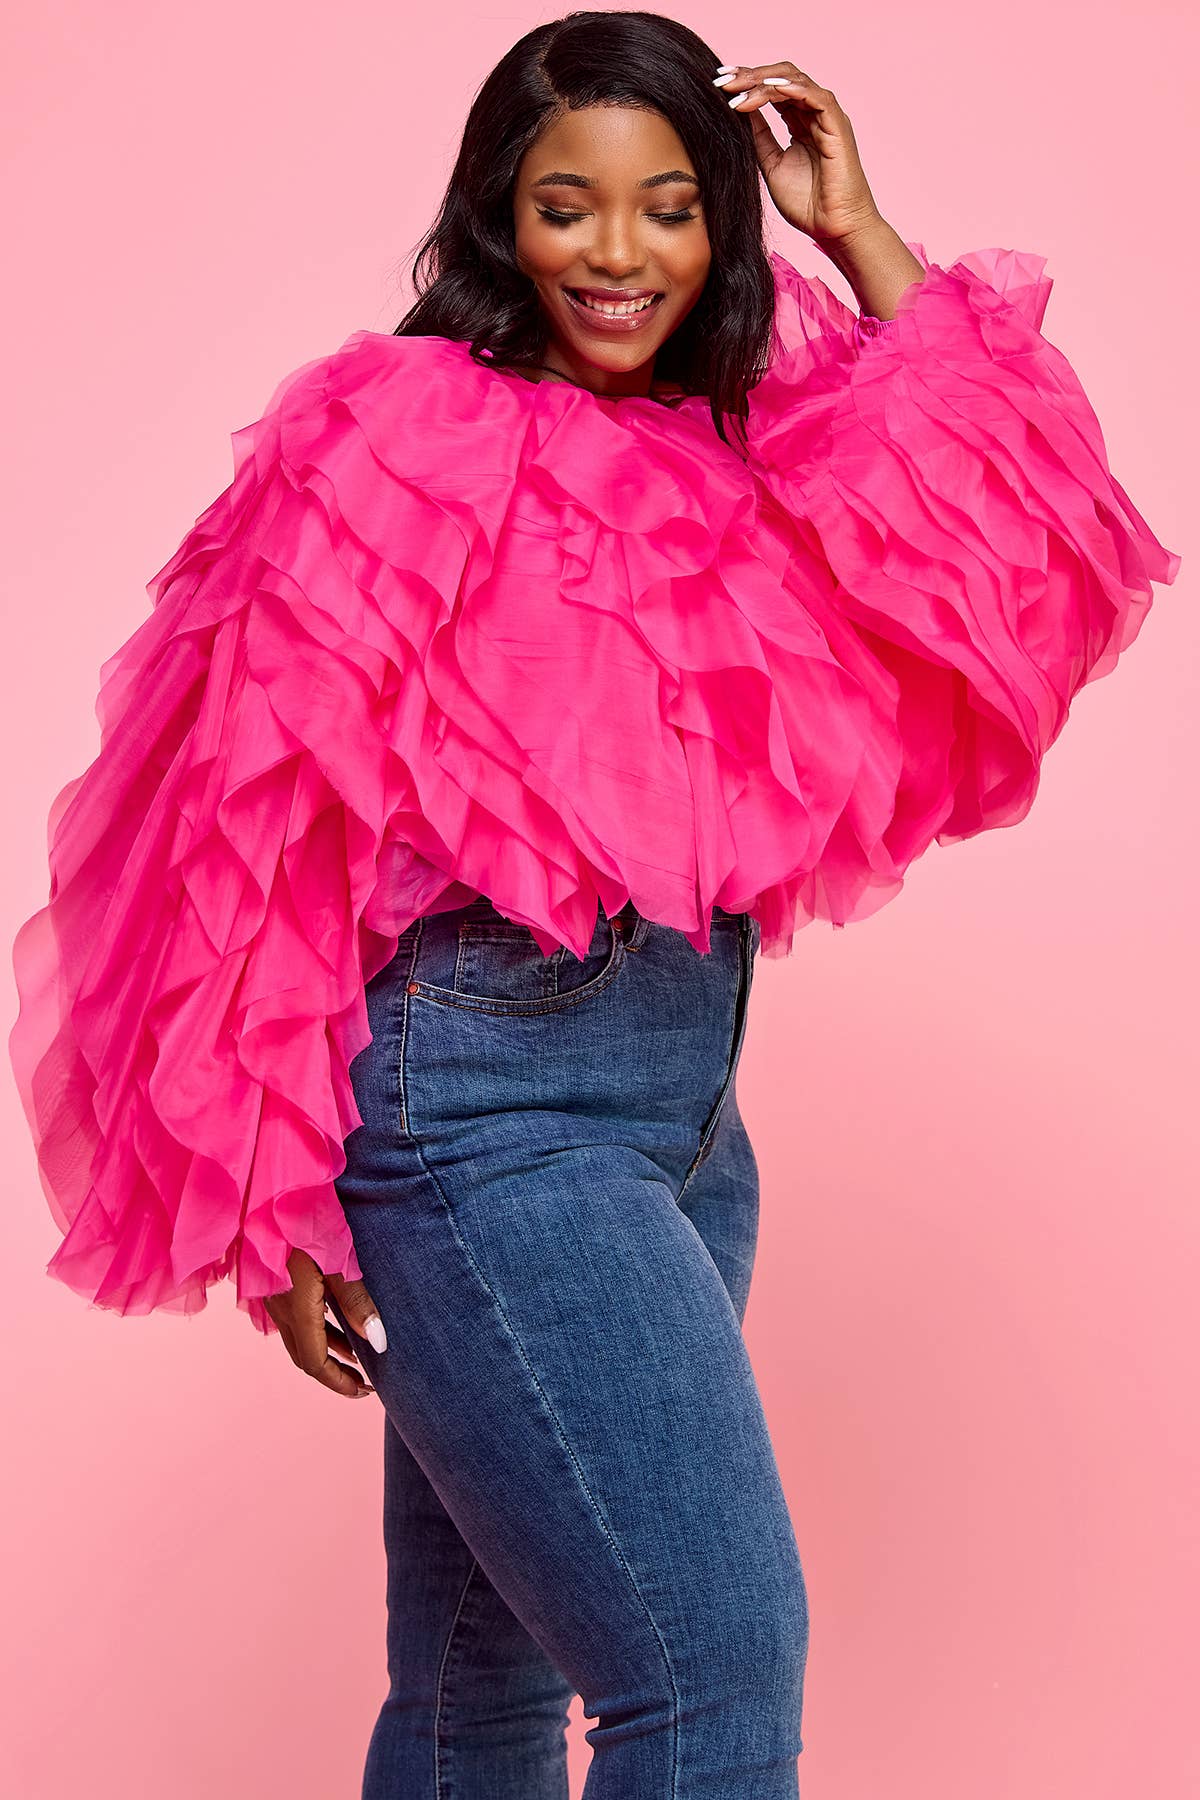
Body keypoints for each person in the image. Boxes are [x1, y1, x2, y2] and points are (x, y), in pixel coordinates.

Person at [8, 11, 1181, 1798]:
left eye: (666, 211)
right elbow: (246, 806)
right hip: (479, 1109)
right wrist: (271, 1177)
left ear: (723, 221)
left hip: (687, 1121)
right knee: (711, 1674)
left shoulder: (766, 438)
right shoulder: (395, 433)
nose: (616, 256)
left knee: (483, 1678)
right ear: (500, 214)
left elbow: (1045, 541)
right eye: (566, 207)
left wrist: (855, 231)